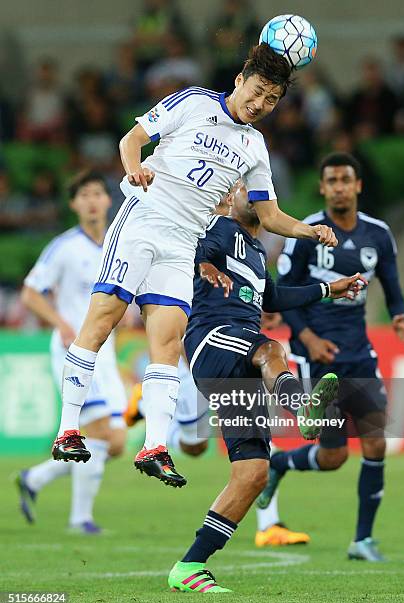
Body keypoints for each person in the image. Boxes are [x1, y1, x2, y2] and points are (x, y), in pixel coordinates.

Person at [52, 43, 338, 488]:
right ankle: (67, 429)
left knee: (167, 343)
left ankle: (155, 446)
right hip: (143, 218)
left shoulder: (255, 147)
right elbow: (132, 140)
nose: (260, 105)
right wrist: (134, 171)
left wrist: (309, 230)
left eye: (271, 100)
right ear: (240, 80)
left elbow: (269, 217)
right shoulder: (194, 101)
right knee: (104, 316)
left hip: (184, 242)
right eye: (257, 92)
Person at [167, 181, 365, 593]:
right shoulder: (220, 227)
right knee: (271, 348)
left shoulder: (257, 252)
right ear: (230, 195)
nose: (250, 193)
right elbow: (197, 252)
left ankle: (189, 567)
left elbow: (272, 297)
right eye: (243, 187)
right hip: (213, 339)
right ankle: (304, 406)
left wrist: (330, 289)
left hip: (235, 362)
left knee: (253, 472)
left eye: (258, 189)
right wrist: (204, 267)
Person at [258, 152, 404, 561]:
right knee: (333, 456)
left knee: (376, 442)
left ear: (358, 185)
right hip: (318, 355)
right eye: (332, 180)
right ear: (323, 187)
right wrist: (306, 337)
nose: (340, 186)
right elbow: (283, 293)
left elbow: (392, 281)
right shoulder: (307, 233)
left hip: (359, 354)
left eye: (346, 179)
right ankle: (280, 466)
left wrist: (399, 316)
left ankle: (362, 540)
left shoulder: (378, 235)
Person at [17, 171, 127, 534]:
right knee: (95, 434)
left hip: (106, 352)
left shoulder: (119, 244)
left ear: (109, 200)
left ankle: (35, 477)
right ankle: (80, 519)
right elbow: (31, 292)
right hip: (74, 350)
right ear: (74, 205)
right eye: (84, 195)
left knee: (115, 443)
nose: (93, 200)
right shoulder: (64, 246)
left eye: (98, 193)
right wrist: (62, 323)